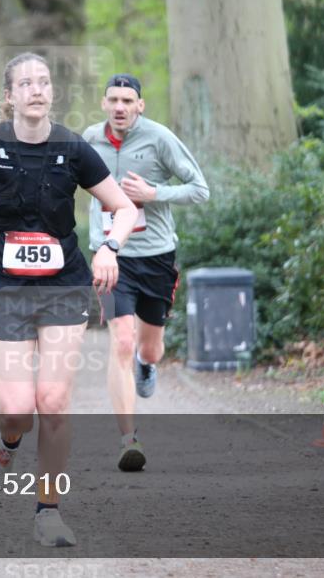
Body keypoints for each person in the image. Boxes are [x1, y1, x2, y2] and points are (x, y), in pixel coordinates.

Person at [0, 53, 136, 547]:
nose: (36, 89)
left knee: (53, 402)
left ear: (52, 91)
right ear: (9, 96)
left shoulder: (73, 148)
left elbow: (124, 207)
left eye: (43, 82)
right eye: (25, 83)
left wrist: (110, 247)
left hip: (63, 286)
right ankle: (8, 441)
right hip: (4, 289)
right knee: (17, 411)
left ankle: (48, 509)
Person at [84, 74, 209, 472]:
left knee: (149, 347)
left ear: (141, 105)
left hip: (155, 256)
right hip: (110, 256)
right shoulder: (89, 140)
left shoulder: (159, 139)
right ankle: (128, 439)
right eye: (113, 100)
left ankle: (148, 362)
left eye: (128, 100)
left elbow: (199, 189)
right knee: (120, 340)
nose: (120, 107)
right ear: (104, 103)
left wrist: (155, 194)